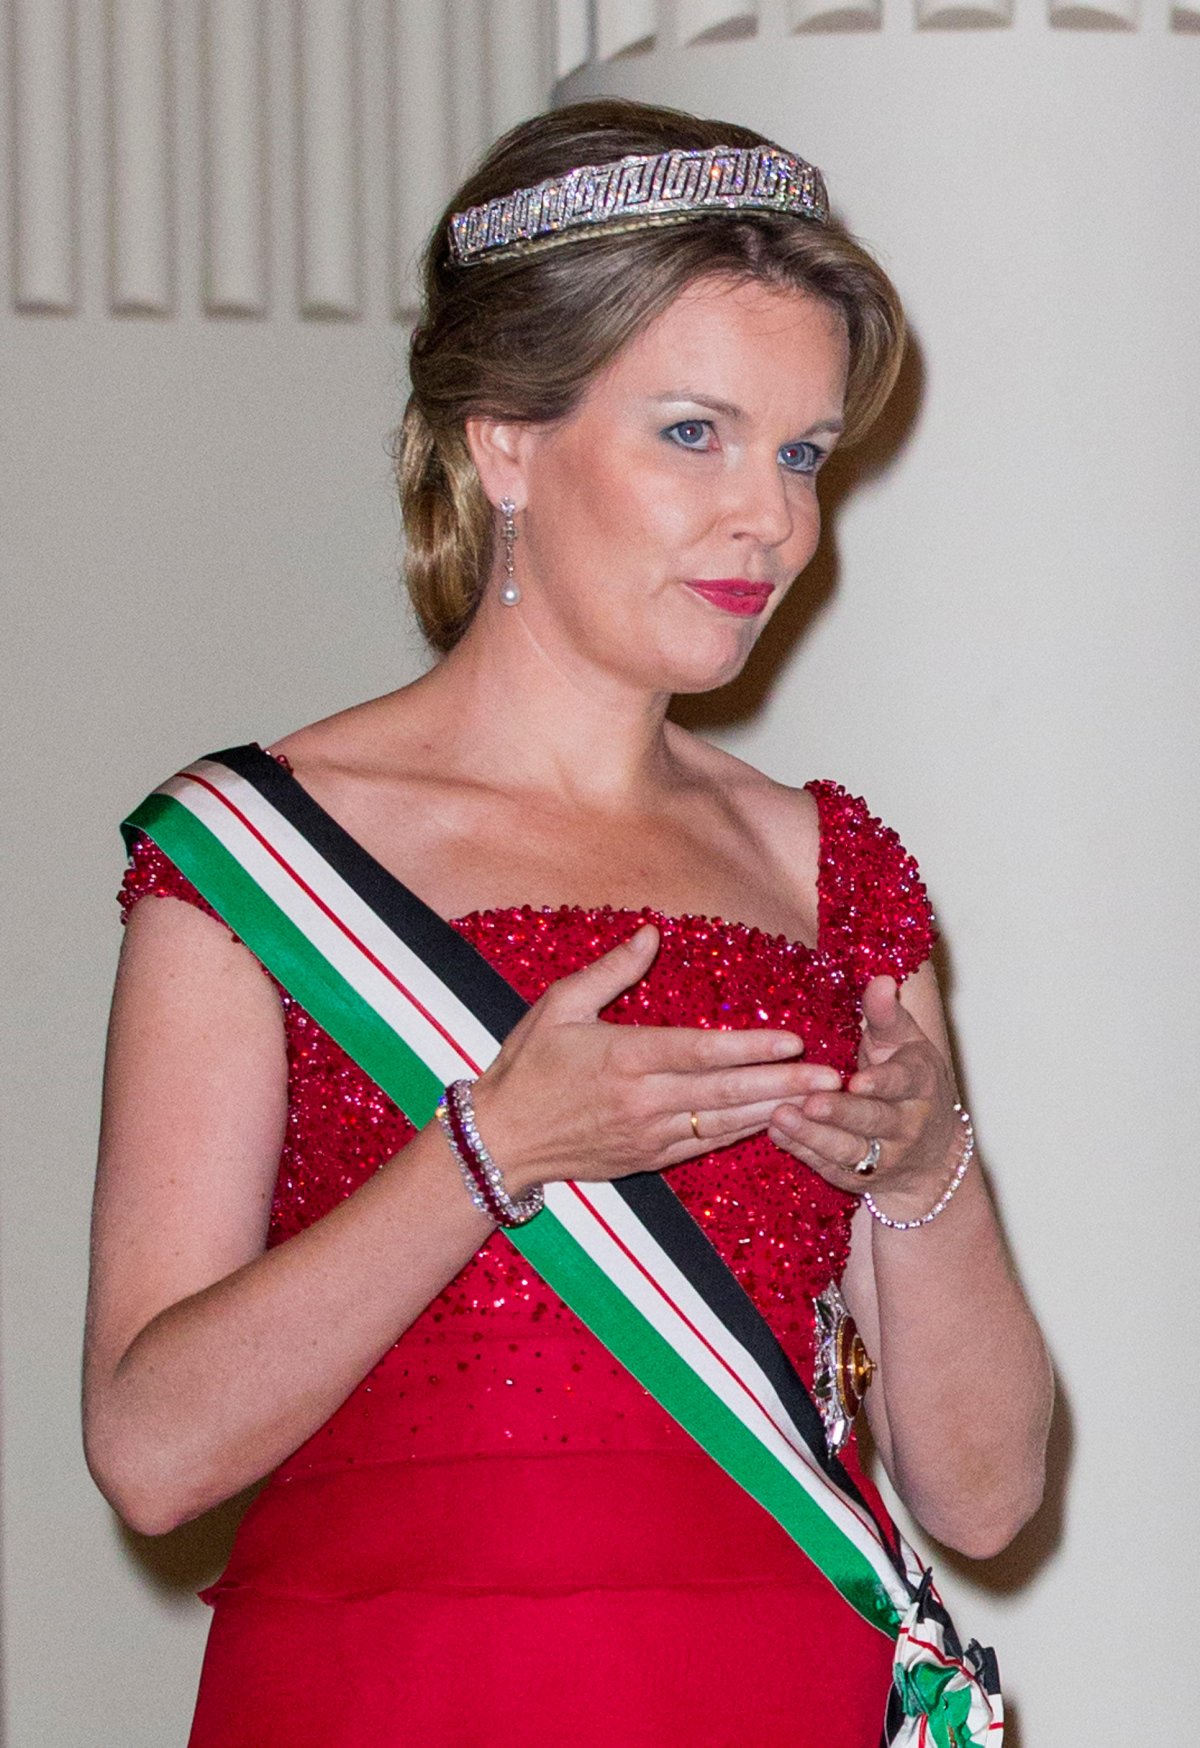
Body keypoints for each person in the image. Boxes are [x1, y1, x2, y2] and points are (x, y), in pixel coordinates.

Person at [84, 98, 1052, 1747]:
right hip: (387, 1693)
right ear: (503, 441)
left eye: (802, 452)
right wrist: (491, 1151)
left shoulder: (834, 869)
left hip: (776, 1683)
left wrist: (924, 1162)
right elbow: (151, 1450)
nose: (772, 519)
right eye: (696, 433)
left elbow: (986, 1491)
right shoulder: (256, 854)